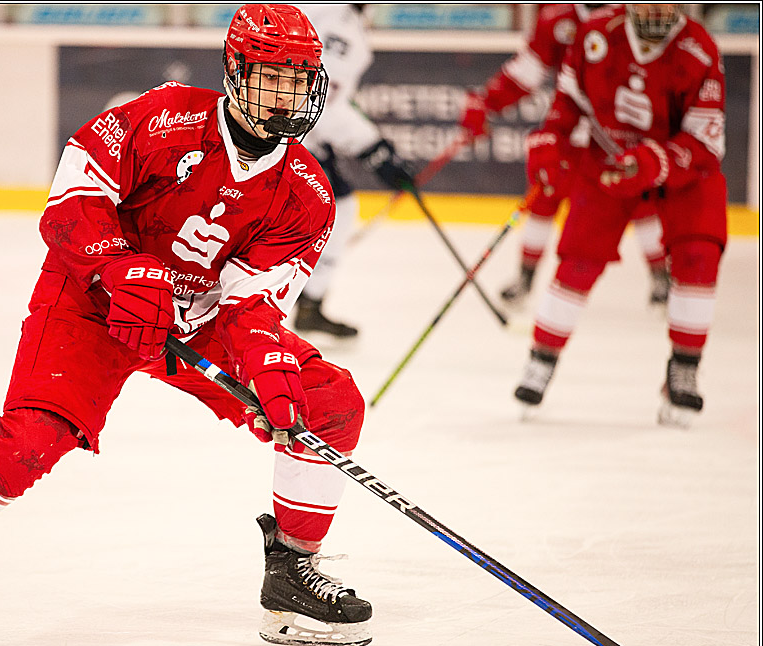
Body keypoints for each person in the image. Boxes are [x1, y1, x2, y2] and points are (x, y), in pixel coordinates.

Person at [0, 4, 375, 646]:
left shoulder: (305, 193)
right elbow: (72, 196)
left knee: (325, 400)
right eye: (273, 78)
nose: (289, 95)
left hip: (193, 324)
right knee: (35, 434)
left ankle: (292, 574)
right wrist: (117, 265)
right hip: (92, 304)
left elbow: (251, 303)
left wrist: (267, 359)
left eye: (301, 80)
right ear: (236, 74)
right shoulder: (164, 116)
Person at [512, 4, 727, 427]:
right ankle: (541, 359)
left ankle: (684, 365)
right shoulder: (595, 34)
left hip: (683, 171)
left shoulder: (699, 49)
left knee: (699, 256)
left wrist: (654, 161)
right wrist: (549, 142)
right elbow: (567, 104)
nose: (658, 8)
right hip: (607, 163)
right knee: (577, 260)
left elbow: (705, 142)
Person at [459, 3, 670, 309]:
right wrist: (486, 101)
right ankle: (525, 278)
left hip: (622, 130)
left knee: (640, 200)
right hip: (569, 128)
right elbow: (527, 71)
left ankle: (661, 275)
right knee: (544, 195)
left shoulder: (632, 17)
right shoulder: (557, 19)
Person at [292, 3, 416, 339]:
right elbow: (318, 103)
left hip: (285, 131)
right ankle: (308, 303)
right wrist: (375, 151)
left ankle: (304, 301)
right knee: (339, 206)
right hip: (292, 136)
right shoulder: (341, 27)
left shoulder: (325, 13)